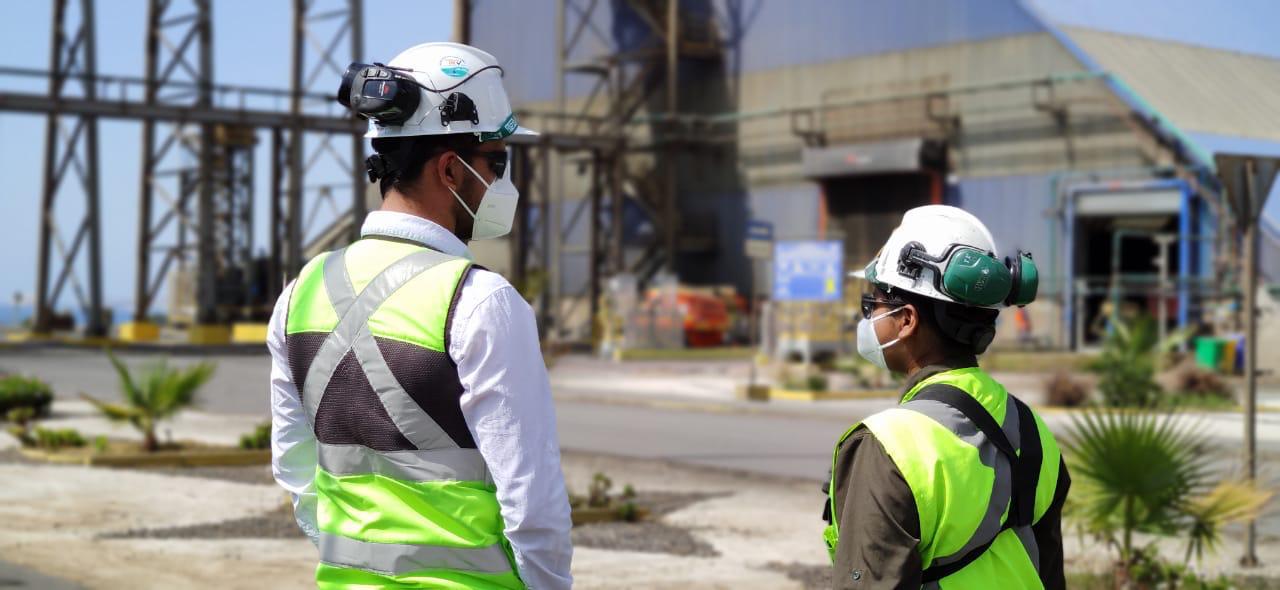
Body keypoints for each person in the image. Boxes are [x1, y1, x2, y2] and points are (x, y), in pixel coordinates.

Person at [269, 42, 573, 589]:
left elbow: (295, 470)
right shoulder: (481, 301)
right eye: (497, 162)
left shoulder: (300, 293)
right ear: (451, 170)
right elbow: (533, 506)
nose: (504, 183)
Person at [823, 205, 1070, 589]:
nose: (869, 319)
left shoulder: (887, 446)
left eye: (874, 304)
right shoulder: (1034, 431)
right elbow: (1048, 572)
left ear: (906, 320)